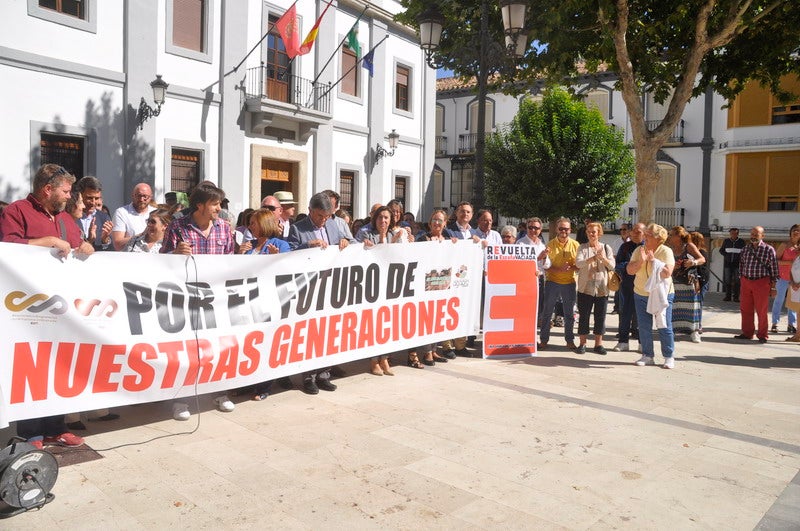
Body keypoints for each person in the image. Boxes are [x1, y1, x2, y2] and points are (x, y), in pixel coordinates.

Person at [0, 163, 95, 448]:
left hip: (64, 308)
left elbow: (79, 247)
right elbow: (8, 246)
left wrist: (87, 247)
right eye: (65, 191)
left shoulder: (67, 218)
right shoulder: (16, 211)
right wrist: (48, 241)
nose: (69, 196)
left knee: (59, 367)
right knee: (31, 368)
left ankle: (56, 427)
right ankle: (30, 434)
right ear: (47, 189)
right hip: (28, 310)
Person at [161, 183, 237, 419]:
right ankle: (181, 399)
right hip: (185, 299)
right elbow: (160, 262)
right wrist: (174, 255)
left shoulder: (224, 228)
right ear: (200, 205)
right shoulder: (178, 227)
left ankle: (218, 392)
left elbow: (232, 262)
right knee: (185, 350)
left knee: (216, 348)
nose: (218, 208)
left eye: (219, 204)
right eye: (214, 204)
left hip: (215, 300)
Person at [288, 192, 354, 394]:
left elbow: (350, 244)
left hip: (331, 286)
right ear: (310, 211)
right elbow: (288, 253)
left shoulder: (334, 225)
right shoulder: (298, 229)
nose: (323, 220)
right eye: (319, 216)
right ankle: (308, 378)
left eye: (326, 216)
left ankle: (324, 374)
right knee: (311, 334)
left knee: (329, 331)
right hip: (309, 289)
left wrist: (346, 243)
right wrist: (306, 246)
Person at [239, 208, 290, 400]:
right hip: (247, 302)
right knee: (247, 343)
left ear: (264, 224)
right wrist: (238, 254)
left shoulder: (280, 245)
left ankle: (264, 387)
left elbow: (288, 271)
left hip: (268, 302)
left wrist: (277, 259)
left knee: (266, 343)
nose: (249, 226)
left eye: (253, 223)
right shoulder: (247, 245)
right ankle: (246, 383)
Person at [362, 206, 406, 375]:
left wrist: (395, 243)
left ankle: (385, 359)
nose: (383, 221)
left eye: (387, 218)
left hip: (390, 287)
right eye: (380, 218)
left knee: (388, 325)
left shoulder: (393, 236)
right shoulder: (367, 235)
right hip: (373, 287)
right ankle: (374, 361)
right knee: (375, 324)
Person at [413, 209, 459, 365]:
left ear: (445, 223)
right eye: (434, 220)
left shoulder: (448, 240)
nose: (437, 223)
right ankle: (427, 353)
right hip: (426, 287)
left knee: (438, 319)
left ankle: (434, 350)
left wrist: (454, 245)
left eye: (440, 220)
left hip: (443, 286)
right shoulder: (422, 239)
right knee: (427, 320)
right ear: (429, 222)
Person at [627, 223, 676, 369]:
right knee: (643, 326)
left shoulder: (665, 251)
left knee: (664, 325)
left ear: (658, 238)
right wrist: (641, 261)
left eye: (648, 234)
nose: (645, 236)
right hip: (640, 293)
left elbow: (667, 273)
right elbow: (629, 271)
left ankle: (668, 356)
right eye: (645, 234)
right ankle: (648, 355)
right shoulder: (639, 250)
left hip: (662, 295)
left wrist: (654, 261)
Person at [538, 217, 579, 350]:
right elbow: (546, 266)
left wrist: (572, 268)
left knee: (569, 315)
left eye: (566, 229)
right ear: (557, 229)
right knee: (547, 312)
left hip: (569, 283)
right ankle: (543, 340)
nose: (563, 231)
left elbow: (579, 265)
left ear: (570, 230)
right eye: (561, 228)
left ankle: (570, 340)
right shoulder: (550, 245)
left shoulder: (576, 245)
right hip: (552, 282)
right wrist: (559, 270)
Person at [574, 222, 615, 354]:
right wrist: (592, 258)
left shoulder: (606, 248)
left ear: (599, 233)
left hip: (602, 288)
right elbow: (579, 263)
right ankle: (582, 343)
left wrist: (602, 258)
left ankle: (598, 344)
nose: (592, 234)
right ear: (586, 233)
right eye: (589, 232)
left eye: (594, 232)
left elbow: (613, 266)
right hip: (585, 287)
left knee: (600, 316)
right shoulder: (582, 248)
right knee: (584, 316)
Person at [734, 226, 779, 343]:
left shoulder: (769, 250)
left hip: (761, 282)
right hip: (746, 281)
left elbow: (774, 269)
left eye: (756, 234)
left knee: (762, 310)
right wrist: (742, 279)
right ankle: (747, 333)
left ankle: (763, 335)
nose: (753, 236)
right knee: (745, 309)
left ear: (762, 236)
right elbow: (741, 265)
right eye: (752, 234)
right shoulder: (745, 249)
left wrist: (773, 287)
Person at [667, 226, 705, 343]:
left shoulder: (689, 246)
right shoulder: (669, 248)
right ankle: (672, 330)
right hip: (673, 281)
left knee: (691, 307)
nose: (669, 236)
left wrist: (692, 262)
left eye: (672, 234)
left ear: (678, 236)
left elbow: (702, 259)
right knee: (674, 306)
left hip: (688, 282)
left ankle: (694, 332)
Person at [613, 223, 644, 352]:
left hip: (643, 286)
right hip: (627, 285)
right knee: (624, 313)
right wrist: (631, 265)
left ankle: (643, 343)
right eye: (634, 232)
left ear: (644, 233)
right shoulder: (625, 247)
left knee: (643, 315)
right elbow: (618, 264)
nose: (635, 234)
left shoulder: (648, 247)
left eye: (639, 232)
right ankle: (623, 341)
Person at [517, 217, 551, 322]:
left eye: (536, 228)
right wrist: (538, 258)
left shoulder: (541, 244)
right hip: (525, 280)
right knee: (525, 308)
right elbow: (519, 264)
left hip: (539, 279)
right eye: (530, 227)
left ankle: (533, 333)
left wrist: (545, 257)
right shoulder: (520, 243)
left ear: (540, 230)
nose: (533, 230)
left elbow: (547, 265)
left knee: (538, 307)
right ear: (526, 228)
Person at [771, 224, 799, 334]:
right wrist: (789, 262)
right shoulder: (784, 245)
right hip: (782, 277)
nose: (796, 232)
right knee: (779, 300)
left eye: (798, 231)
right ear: (790, 232)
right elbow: (775, 261)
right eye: (794, 230)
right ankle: (775, 323)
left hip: (795, 279)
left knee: (792, 302)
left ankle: (791, 324)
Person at [111, 182, 156, 250]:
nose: (141, 199)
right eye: (138, 196)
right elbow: (118, 244)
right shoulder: (121, 213)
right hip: (130, 257)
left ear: (151, 197)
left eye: (145, 196)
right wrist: (142, 235)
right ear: (132, 195)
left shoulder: (156, 213)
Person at [75, 176, 113, 251]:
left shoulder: (104, 218)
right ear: (80, 195)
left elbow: (111, 252)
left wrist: (105, 240)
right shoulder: (70, 216)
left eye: (96, 198)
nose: (93, 202)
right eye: (89, 198)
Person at [689, 231, 711, 333]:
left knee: (699, 304)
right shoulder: (691, 251)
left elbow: (703, 270)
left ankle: (698, 326)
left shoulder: (702, 253)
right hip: (693, 281)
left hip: (700, 282)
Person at [719, 228, 745, 302]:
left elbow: (744, 252)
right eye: (732, 233)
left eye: (735, 233)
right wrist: (726, 256)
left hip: (737, 264)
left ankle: (736, 297)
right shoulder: (726, 241)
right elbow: (721, 250)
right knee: (727, 281)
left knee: (737, 281)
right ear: (730, 234)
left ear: (737, 234)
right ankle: (728, 296)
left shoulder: (741, 242)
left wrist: (740, 257)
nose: (733, 234)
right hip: (728, 264)